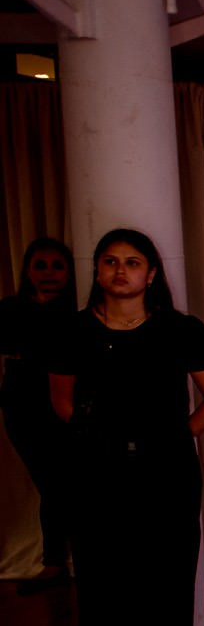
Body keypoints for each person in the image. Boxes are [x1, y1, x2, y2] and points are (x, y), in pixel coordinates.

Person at [49, 229, 204, 626]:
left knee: (165, 573)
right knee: (102, 574)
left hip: (166, 472)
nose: (120, 271)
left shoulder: (180, 330)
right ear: (98, 272)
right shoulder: (74, 331)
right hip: (96, 472)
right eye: (110, 262)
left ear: (150, 273)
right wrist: (99, 443)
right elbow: (61, 402)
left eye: (132, 262)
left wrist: (173, 439)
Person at [2, 238, 76, 588]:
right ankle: (54, 562)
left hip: (68, 407)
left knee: (70, 483)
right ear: (28, 270)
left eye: (57, 265)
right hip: (24, 412)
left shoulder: (77, 311)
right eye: (40, 265)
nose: (48, 273)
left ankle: (63, 561)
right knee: (51, 483)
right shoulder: (11, 309)